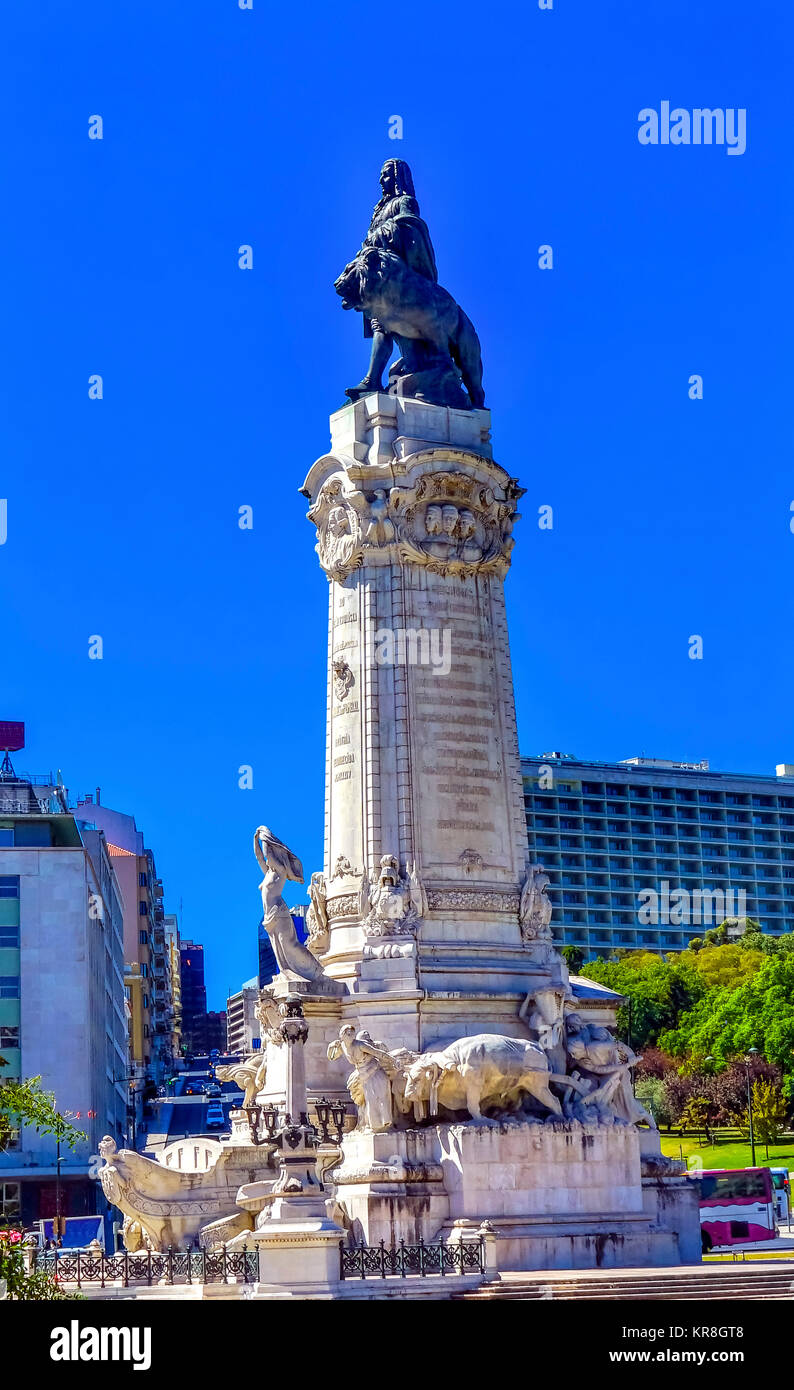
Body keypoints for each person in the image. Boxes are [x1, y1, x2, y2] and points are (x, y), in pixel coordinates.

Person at [346, 160, 438, 399]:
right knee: (382, 325)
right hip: (378, 277)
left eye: (386, 175)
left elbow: (411, 228)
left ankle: (375, 378)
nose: (381, 180)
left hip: (396, 277)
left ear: (397, 177)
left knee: (387, 326)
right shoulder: (378, 209)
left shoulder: (404, 202)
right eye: (381, 175)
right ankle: (377, 378)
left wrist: (381, 235)